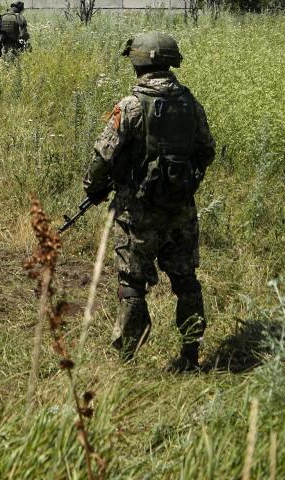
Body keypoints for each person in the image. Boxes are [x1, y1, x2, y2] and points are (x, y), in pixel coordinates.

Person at [82, 32, 215, 371]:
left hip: (137, 213)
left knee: (132, 284)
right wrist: (181, 180)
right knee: (186, 281)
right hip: (181, 211)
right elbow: (207, 150)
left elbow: (102, 157)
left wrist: (93, 189)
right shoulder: (190, 102)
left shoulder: (129, 107)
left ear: (138, 62)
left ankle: (127, 359)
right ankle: (190, 357)